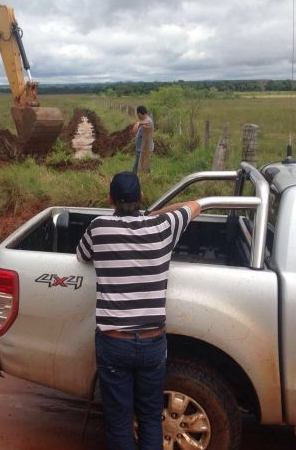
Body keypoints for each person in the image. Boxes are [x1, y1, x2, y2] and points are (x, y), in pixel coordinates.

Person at [76, 171, 200, 450]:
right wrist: (153, 213)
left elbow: (81, 255)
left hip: (114, 342)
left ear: (110, 199)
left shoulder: (99, 227)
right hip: (153, 343)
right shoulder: (165, 227)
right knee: (150, 418)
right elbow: (195, 205)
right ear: (141, 197)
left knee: (119, 421)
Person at [132, 105, 154, 174]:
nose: (138, 117)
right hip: (140, 148)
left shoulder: (148, 120)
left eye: (138, 115)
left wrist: (138, 123)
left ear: (140, 114)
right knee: (144, 164)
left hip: (144, 148)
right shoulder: (144, 120)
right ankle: (148, 176)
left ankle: (134, 178)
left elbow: (148, 123)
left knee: (137, 165)